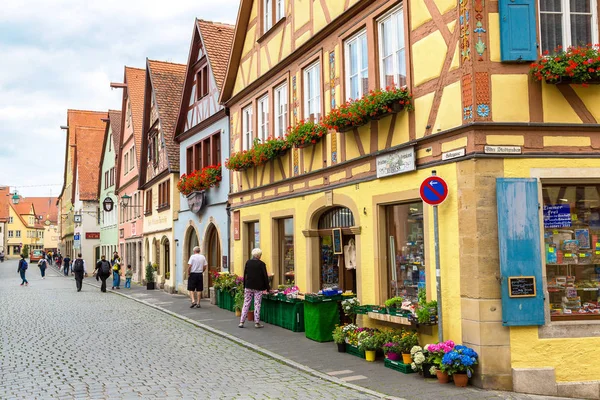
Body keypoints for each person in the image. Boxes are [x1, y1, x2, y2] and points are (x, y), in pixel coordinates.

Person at [238, 248, 270, 329]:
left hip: (248, 286)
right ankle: (257, 322)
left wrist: (244, 285)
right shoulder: (262, 264)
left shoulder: (248, 262)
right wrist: (267, 288)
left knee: (246, 303)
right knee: (257, 304)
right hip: (258, 287)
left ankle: (241, 321)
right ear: (259, 255)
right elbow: (265, 277)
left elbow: (245, 274)